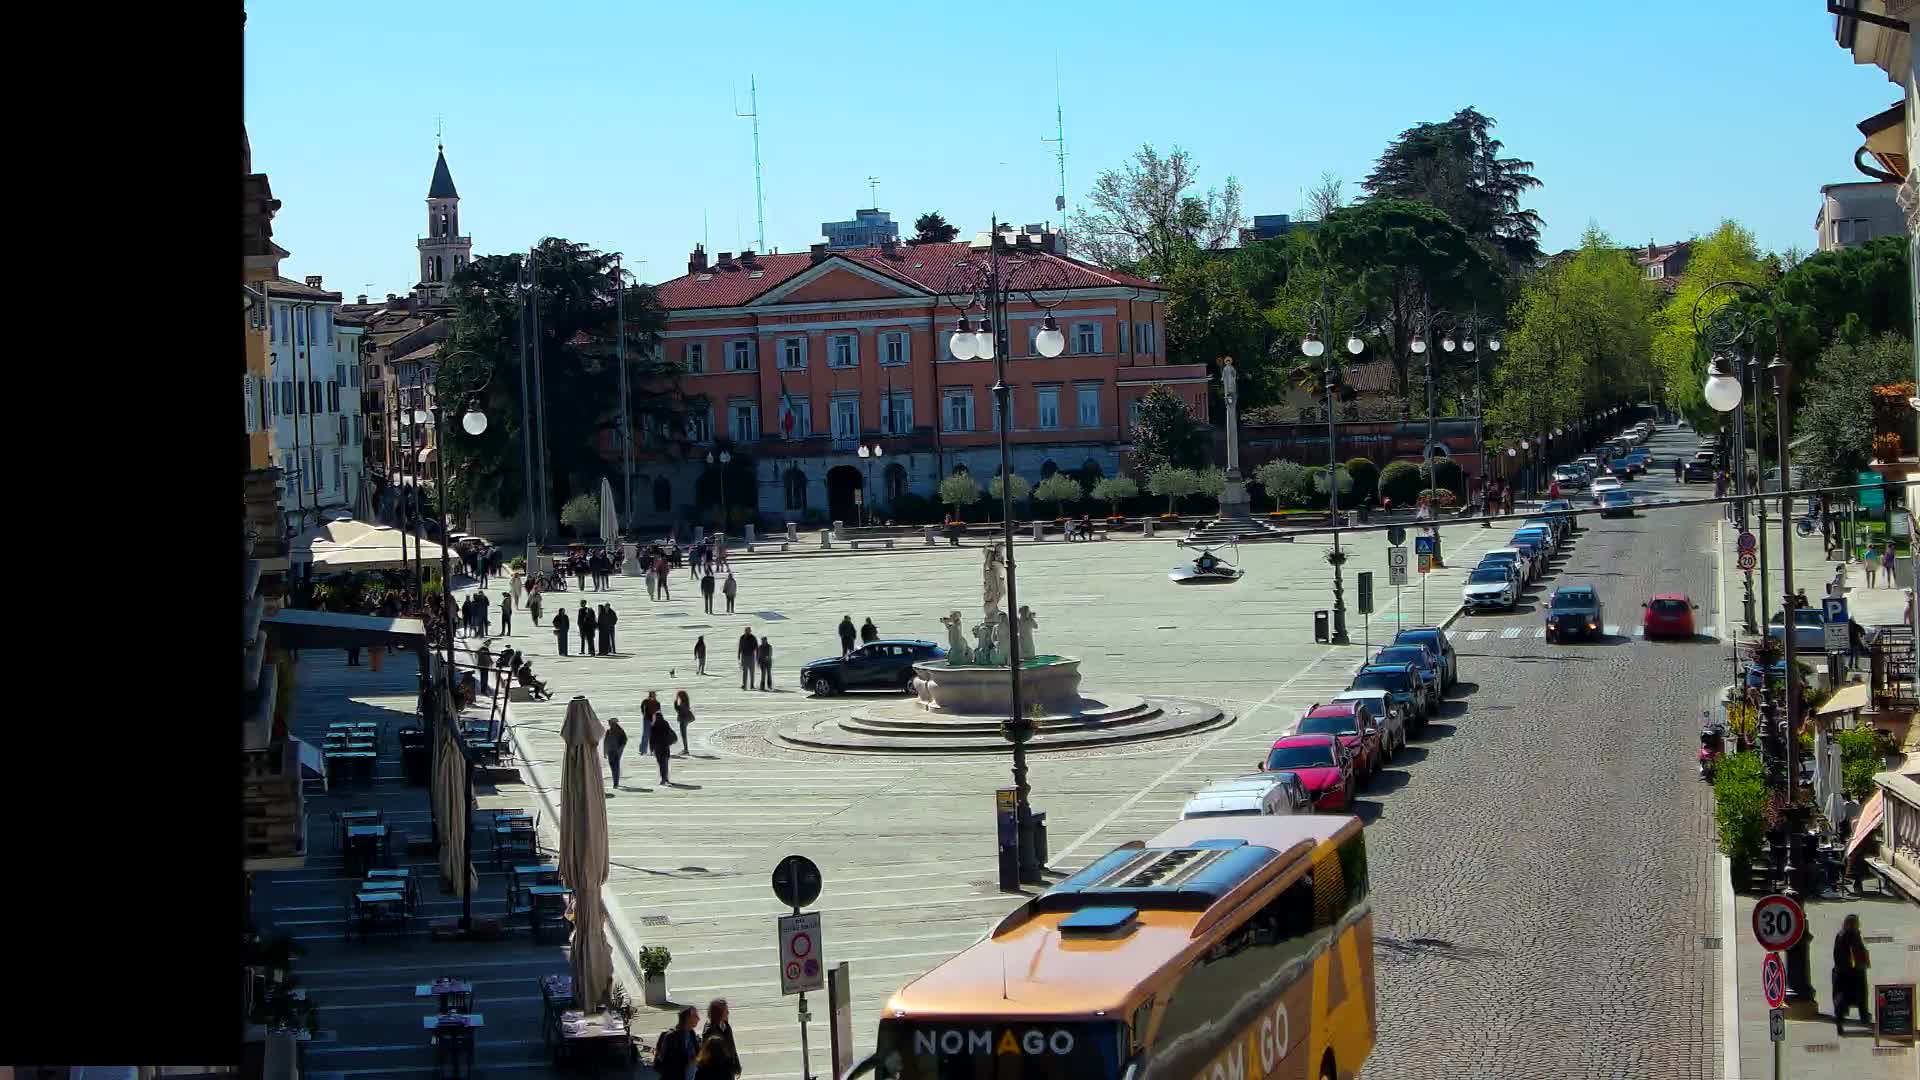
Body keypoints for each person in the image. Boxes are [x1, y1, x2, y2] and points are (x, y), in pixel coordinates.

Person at [1832, 912, 1872, 1033]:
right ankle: (1864, 1017)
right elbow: (1858, 952)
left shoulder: (1840, 934)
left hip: (1840, 972)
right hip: (1855, 972)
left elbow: (1836, 953)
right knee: (1861, 995)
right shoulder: (1854, 935)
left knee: (1840, 997)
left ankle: (1839, 1020)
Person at [654, 1005, 700, 1080]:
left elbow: (697, 1054)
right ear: (687, 1019)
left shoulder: (691, 1033)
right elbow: (665, 1063)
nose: (698, 1018)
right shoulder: (671, 1037)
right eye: (695, 1016)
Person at [701, 1000, 741, 1080]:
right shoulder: (710, 1030)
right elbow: (717, 1057)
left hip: (728, 1071)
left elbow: (732, 1047)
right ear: (718, 1013)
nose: (728, 1013)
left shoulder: (726, 1025)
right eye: (726, 1011)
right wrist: (733, 1067)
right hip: (717, 1073)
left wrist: (737, 1066)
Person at [650, 706, 677, 784]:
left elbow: (651, 738)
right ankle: (665, 778)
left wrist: (651, 748)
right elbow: (670, 733)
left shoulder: (654, 726)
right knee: (665, 763)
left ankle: (663, 778)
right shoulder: (665, 723)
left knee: (661, 764)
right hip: (665, 747)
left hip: (658, 748)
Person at [604, 716, 629, 792]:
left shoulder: (620, 731)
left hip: (616, 752)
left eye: (610, 723)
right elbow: (605, 742)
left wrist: (620, 749)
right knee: (613, 767)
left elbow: (624, 740)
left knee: (616, 767)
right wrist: (605, 752)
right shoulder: (609, 731)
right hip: (610, 751)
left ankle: (615, 783)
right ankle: (616, 781)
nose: (609, 724)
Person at [674, 690, 695, 755]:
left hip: (683, 720)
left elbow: (678, 710)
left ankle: (686, 750)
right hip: (684, 720)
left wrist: (675, 702)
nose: (678, 696)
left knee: (683, 735)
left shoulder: (683, 703)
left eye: (678, 695)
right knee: (683, 735)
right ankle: (685, 749)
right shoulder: (685, 702)